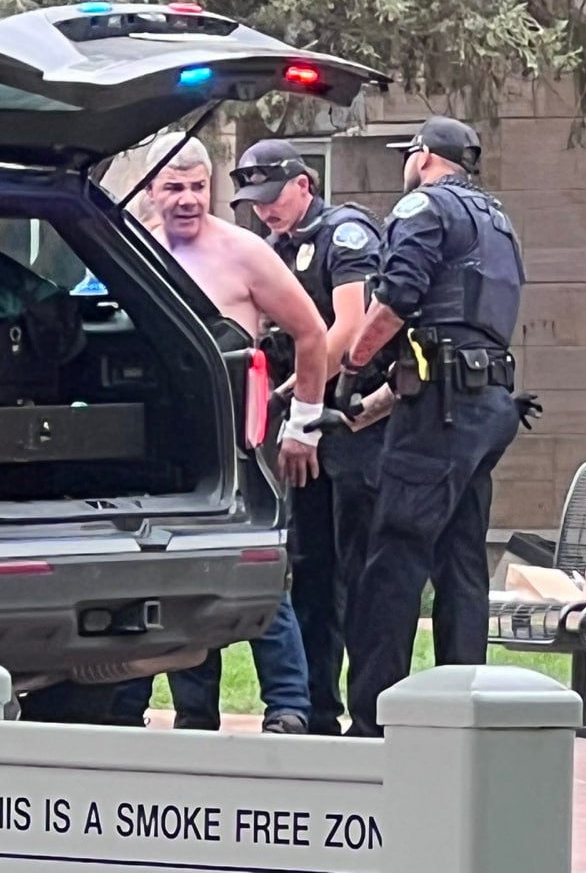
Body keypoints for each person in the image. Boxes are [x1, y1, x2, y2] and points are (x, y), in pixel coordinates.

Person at [110, 132, 328, 733]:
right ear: (150, 190)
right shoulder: (131, 252)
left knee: (254, 569)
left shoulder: (245, 252)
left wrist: (305, 424)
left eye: (198, 187)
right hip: (158, 446)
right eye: (173, 187)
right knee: (164, 574)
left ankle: (289, 707)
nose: (186, 199)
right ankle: (184, 712)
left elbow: (312, 333)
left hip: (238, 441)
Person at [334, 116, 526, 737]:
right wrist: (367, 410)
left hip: (441, 411)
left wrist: (351, 365)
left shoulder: (424, 206)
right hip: (486, 404)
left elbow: (396, 300)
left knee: (394, 555)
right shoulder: (497, 220)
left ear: (423, 157)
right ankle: (460, 718)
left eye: (407, 154)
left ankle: (373, 721)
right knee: (462, 561)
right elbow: (452, 339)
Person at [228, 139, 387, 736]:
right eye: (255, 201)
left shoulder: (345, 235)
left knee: (357, 569)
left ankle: (368, 715)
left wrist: (297, 388)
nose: (265, 209)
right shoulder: (273, 248)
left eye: (273, 196)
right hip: (301, 423)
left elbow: (349, 324)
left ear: (304, 184)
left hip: (349, 421)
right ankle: (319, 707)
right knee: (310, 564)